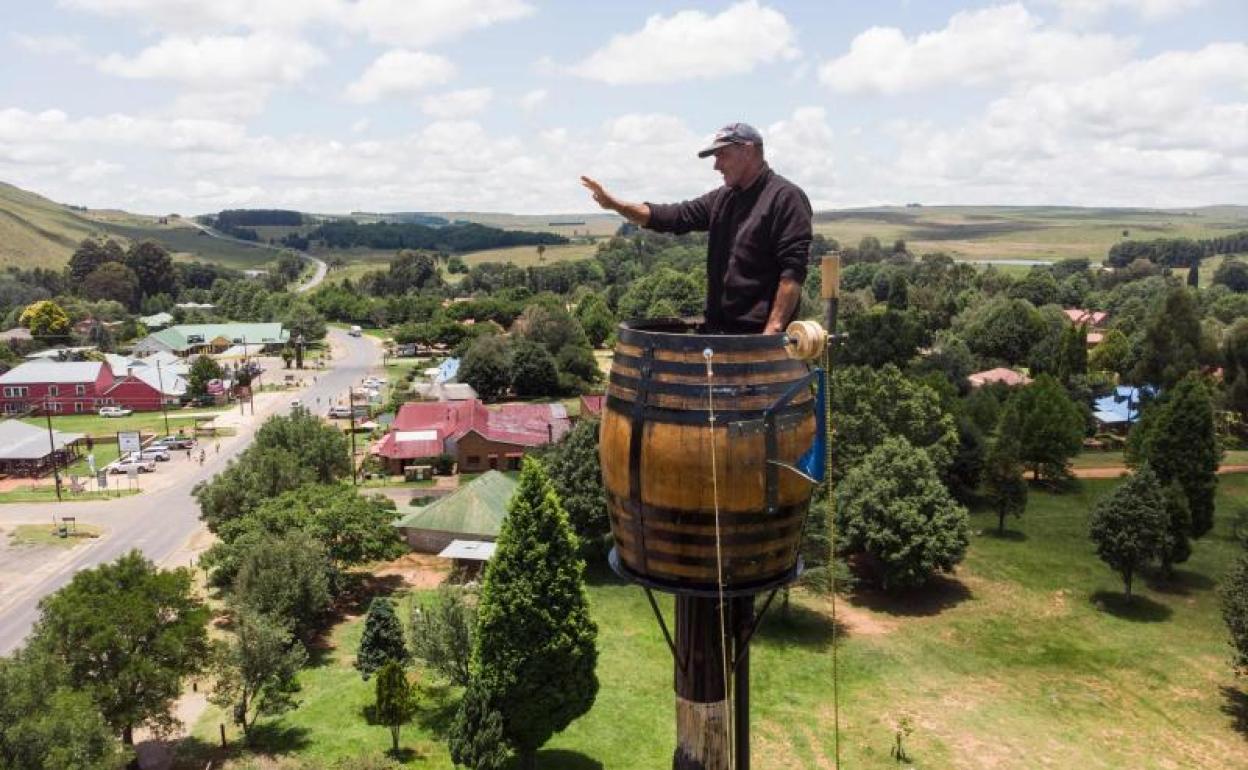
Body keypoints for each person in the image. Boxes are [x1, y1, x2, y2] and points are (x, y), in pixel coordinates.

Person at [582, 122, 811, 334]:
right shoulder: (723, 199)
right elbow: (672, 216)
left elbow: (792, 273)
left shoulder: (785, 198)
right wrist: (614, 204)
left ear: (748, 151)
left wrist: (773, 330)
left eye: (722, 155)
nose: (716, 165)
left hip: (758, 339)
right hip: (718, 334)